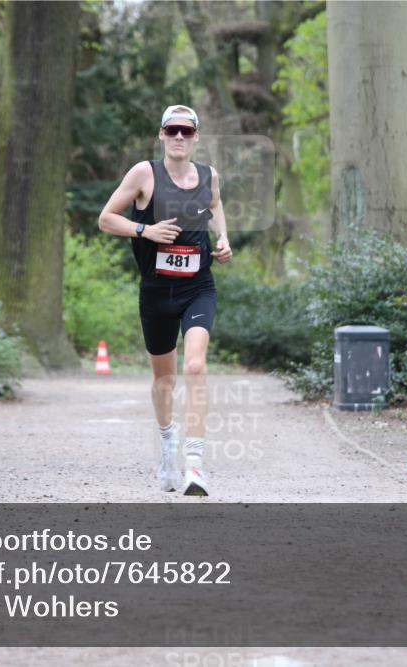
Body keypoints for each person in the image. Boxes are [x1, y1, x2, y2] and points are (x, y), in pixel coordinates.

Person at [97, 104, 232, 496]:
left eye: (186, 132)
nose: (178, 137)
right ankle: (167, 444)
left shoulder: (209, 175)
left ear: (195, 138)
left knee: (194, 365)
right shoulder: (145, 174)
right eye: (171, 130)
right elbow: (106, 219)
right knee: (164, 379)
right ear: (160, 134)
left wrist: (223, 241)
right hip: (156, 292)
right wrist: (145, 230)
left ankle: (195, 465)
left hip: (198, 288)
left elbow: (216, 205)